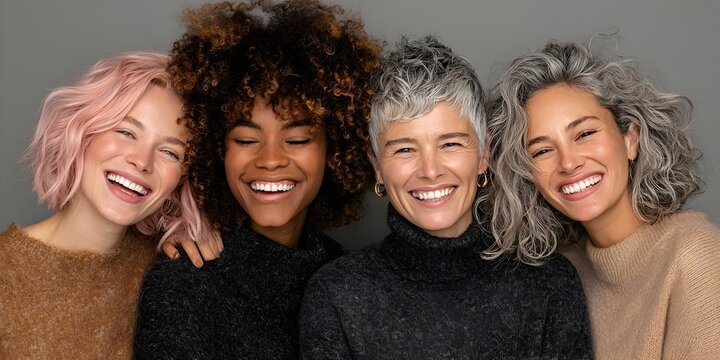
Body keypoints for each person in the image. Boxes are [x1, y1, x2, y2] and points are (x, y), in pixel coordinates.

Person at [299, 36, 592, 359]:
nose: (430, 170)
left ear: (484, 154)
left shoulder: (549, 284)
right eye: (405, 149)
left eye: (450, 144)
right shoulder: (337, 295)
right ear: (377, 168)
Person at [132, 0, 381, 358]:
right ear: (217, 149)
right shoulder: (182, 287)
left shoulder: (355, 284)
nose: (271, 160)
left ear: (336, 148)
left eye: (296, 140)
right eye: (246, 140)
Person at [486, 39, 720, 359]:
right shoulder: (562, 272)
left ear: (630, 139)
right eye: (541, 150)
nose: (568, 163)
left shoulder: (696, 255)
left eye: (584, 134)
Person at [0, 52, 215, 358]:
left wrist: (200, 234)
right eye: (126, 132)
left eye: (170, 152)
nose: (141, 161)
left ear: (181, 181)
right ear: (81, 132)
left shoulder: (170, 270)